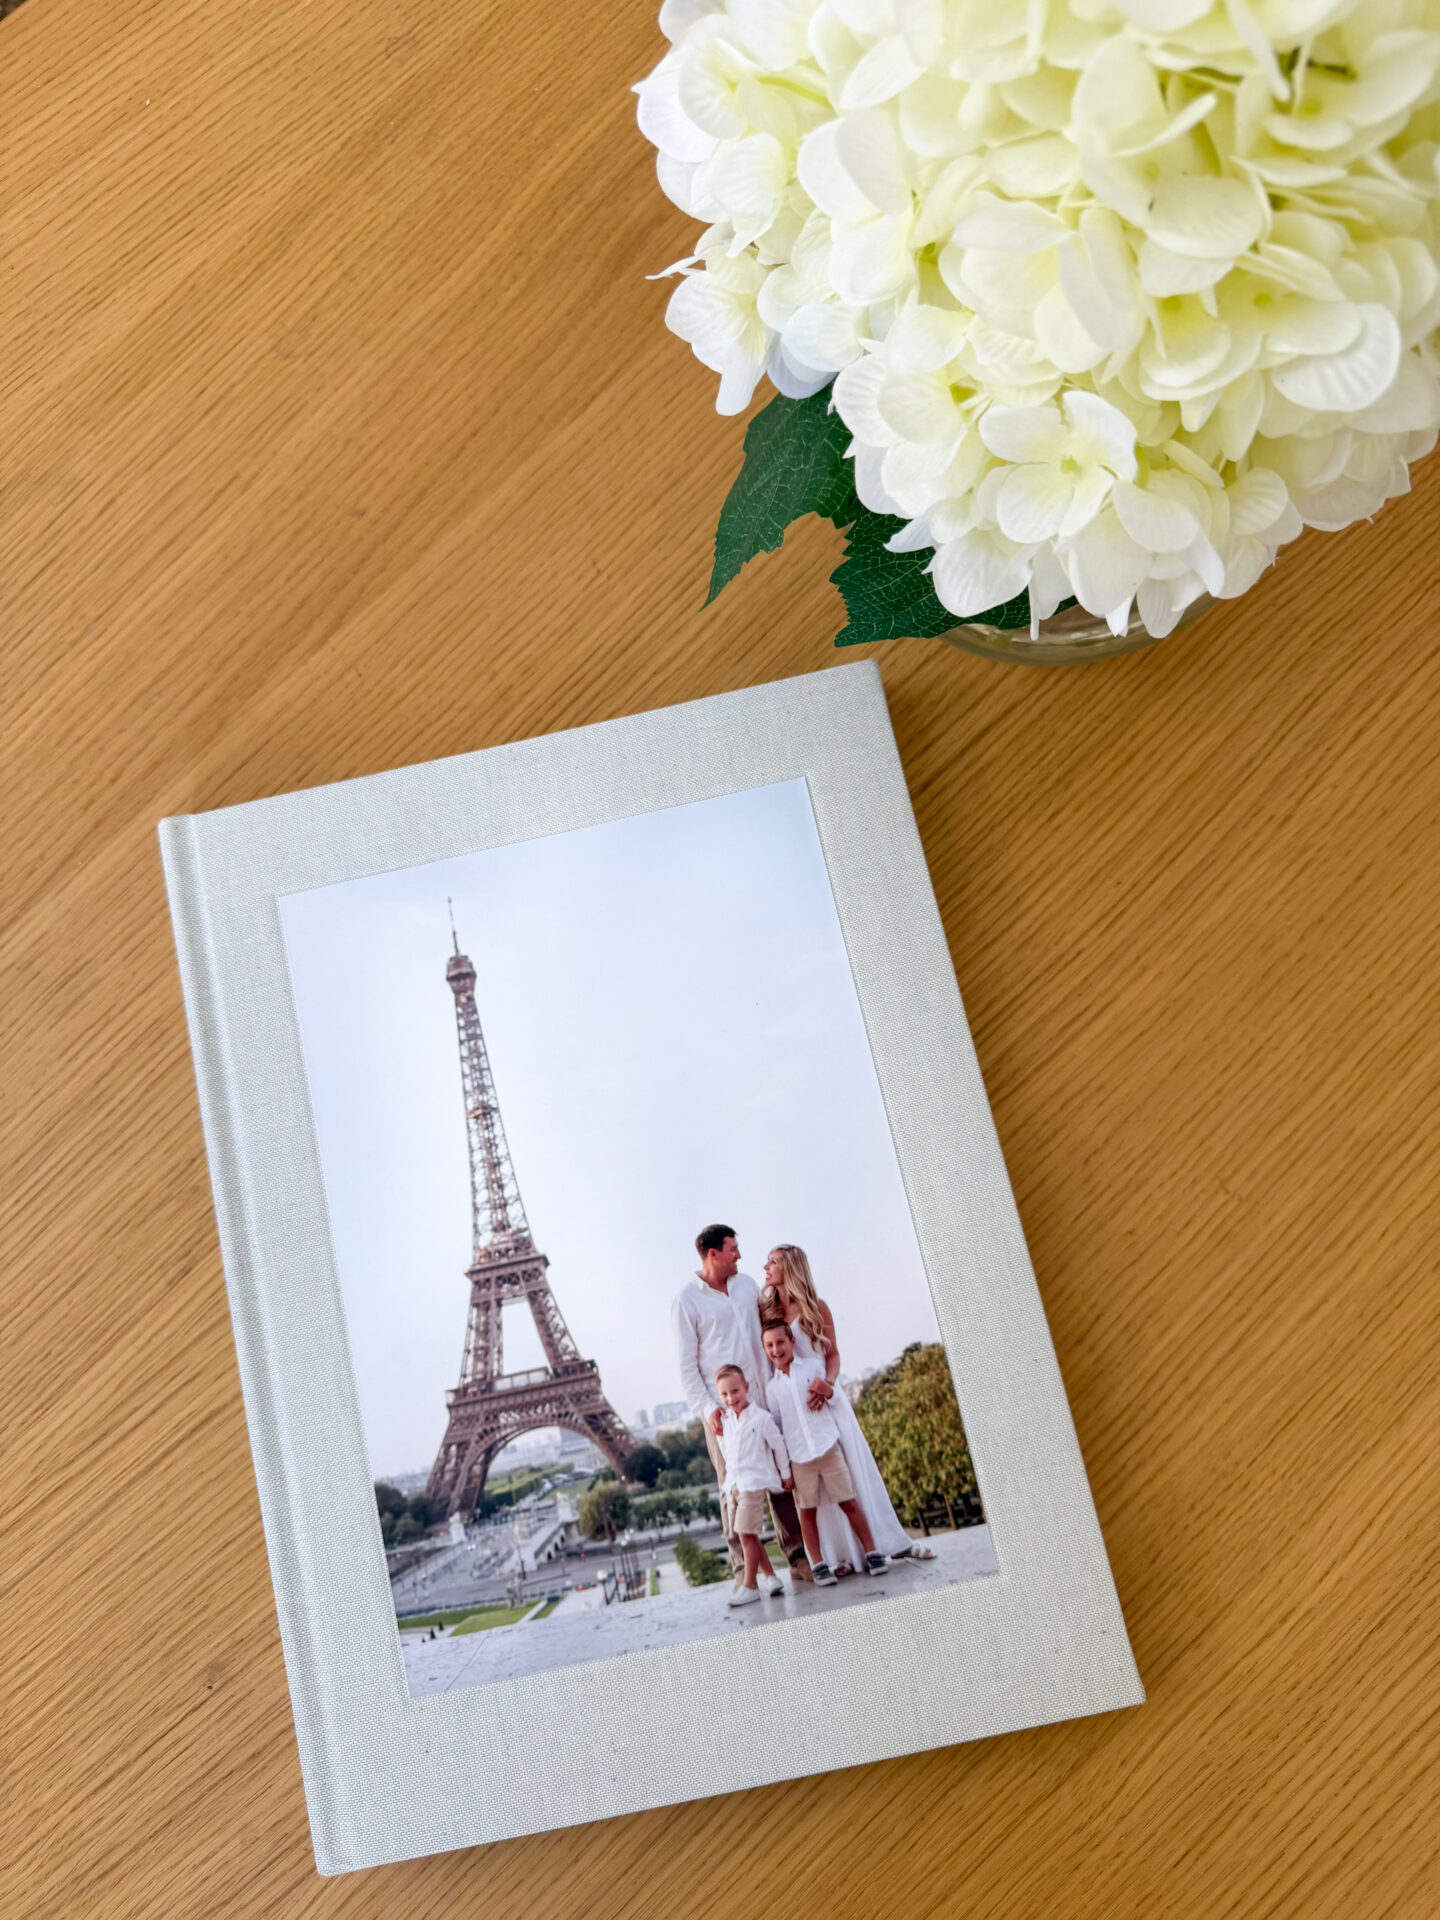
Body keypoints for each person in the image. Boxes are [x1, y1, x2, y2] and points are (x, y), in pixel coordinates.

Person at [759, 1243, 933, 1569]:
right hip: (796, 1413)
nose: (765, 1267)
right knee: (816, 1493)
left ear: (791, 1267)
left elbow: (833, 1354)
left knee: (850, 1477)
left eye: (773, 1261)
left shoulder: (816, 1307)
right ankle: (838, 1557)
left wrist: (828, 1384)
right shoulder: (767, 1312)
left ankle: (882, 1544)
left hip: (826, 1401)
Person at [671, 1224, 810, 1583]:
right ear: (713, 1253)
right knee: (732, 1489)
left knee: (781, 1479)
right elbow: (687, 1366)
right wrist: (708, 1410)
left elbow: (775, 1327)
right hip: (724, 1412)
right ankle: (740, 1570)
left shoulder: (748, 1285)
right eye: (733, 1249)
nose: (739, 1255)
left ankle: (797, 1558)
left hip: (764, 1399)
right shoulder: (686, 1300)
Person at [762, 1320, 888, 1584]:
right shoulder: (772, 1390)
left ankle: (872, 1552)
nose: (776, 1349)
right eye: (769, 1345)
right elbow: (778, 1431)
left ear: (792, 1342)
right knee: (806, 1511)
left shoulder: (812, 1368)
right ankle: (818, 1564)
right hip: (799, 1459)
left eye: (780, 1342)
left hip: (828, 1447)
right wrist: (785, 1472)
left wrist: (827, 1390)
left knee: (848, 1501)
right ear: (765, 1349)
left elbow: (835, 1399)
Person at [714, 1364, 788, 1607]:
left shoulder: (761, 1418)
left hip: (753, 1483)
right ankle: (772, 1577)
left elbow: (778, 1445)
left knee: (745, 1533)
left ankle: (750, 1586)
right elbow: (726, 1451)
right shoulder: (725, 1422)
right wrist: (728, 1483)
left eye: (735, 1391)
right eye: (724, 1394)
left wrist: (786, 1474)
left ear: (746, 1388)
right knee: (747, 1535)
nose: (730, 1398)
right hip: (734, 1484)